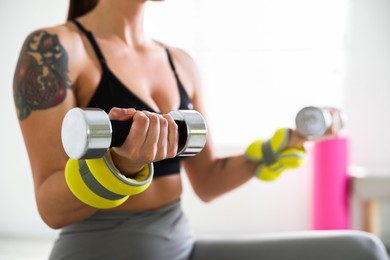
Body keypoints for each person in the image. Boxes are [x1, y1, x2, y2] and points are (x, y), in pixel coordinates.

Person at [13, 1, 389, 260]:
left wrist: (277, 149)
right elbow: (51, 207)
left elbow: (208, 181)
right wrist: (120, 168)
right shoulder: (53, 49)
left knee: (362, 250)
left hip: (181, 246)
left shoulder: (181, 62)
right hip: (102, 250)